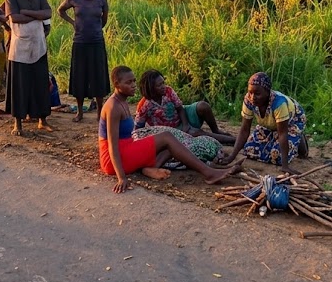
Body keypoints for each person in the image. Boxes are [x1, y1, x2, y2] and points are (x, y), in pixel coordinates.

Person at [100, 66, 241, 194]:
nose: (133, 85)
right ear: (116, 84)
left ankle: (150, 167)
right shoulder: (113, 107)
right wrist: (121, 178)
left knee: (172, 145)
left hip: (126, 149)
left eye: (134, 81)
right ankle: (209, 173)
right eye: (128, 82)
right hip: (113, 160)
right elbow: (112, 146)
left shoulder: (122, 101)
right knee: (167, 137)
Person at [216, 72, 309, 175]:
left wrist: (285, 166)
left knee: (277, 157)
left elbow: (282, 134)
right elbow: (244, 130)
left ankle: (299, 138)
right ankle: (276, 135)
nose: (253, 97)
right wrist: (231, 157)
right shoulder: (248, 100)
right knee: (249, 150)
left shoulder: (279, 103)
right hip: (270, 124)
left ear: (267, 92)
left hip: (291, 122)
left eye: (257, 93)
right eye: (250, 92)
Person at [4, 0, 53, 136]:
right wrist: (36, 14)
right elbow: (15, 18)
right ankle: (18, 123)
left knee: (40, 84)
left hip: (38, 45)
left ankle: (42, 120)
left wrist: (26, 12)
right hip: (20, 48)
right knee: (20, 85)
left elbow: (48, 13)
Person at [58, 0, 110, 122]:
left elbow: (104, 20)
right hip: (80, 43)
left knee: (98, 77)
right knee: (79, 76)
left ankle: (100, 112)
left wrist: (96, 29)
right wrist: (73, 23)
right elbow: (61, 10)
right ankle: (80, 112)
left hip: (97, 42)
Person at [135, 70, 235, 145]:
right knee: (197, 133)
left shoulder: (168, 91)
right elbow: (138, 128)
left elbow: (180, 108)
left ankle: (216, 130)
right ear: (151, 88)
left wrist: (186, 125)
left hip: (181, 117)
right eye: (159, 85)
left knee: (203, 106)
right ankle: (234, 140)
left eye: (163, 83)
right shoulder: (144, 106)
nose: (163, 86)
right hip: (170, 130)